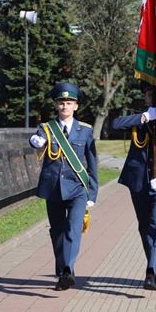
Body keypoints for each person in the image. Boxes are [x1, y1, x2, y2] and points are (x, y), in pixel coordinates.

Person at [111, 83, 156, 291]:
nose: (152, 98)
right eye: (150, 94)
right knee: (145, 228)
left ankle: (151, 271)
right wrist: (145, 117)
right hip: (138, 182)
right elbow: (116, 124)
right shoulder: (141, 119)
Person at [28, 82, 98, 291]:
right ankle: (63, 273)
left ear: (76, 106)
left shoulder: (85, 130)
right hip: (54, 189)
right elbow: (37, 140)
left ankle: (67, 270)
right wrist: (35, 141)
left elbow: (92, 162)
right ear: (56, 105)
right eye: (61, 103)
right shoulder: (47, 128)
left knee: (73, 229)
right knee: (57, 232)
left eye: (69, 103)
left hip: (77, 188)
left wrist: (92, 192)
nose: (65, 106)